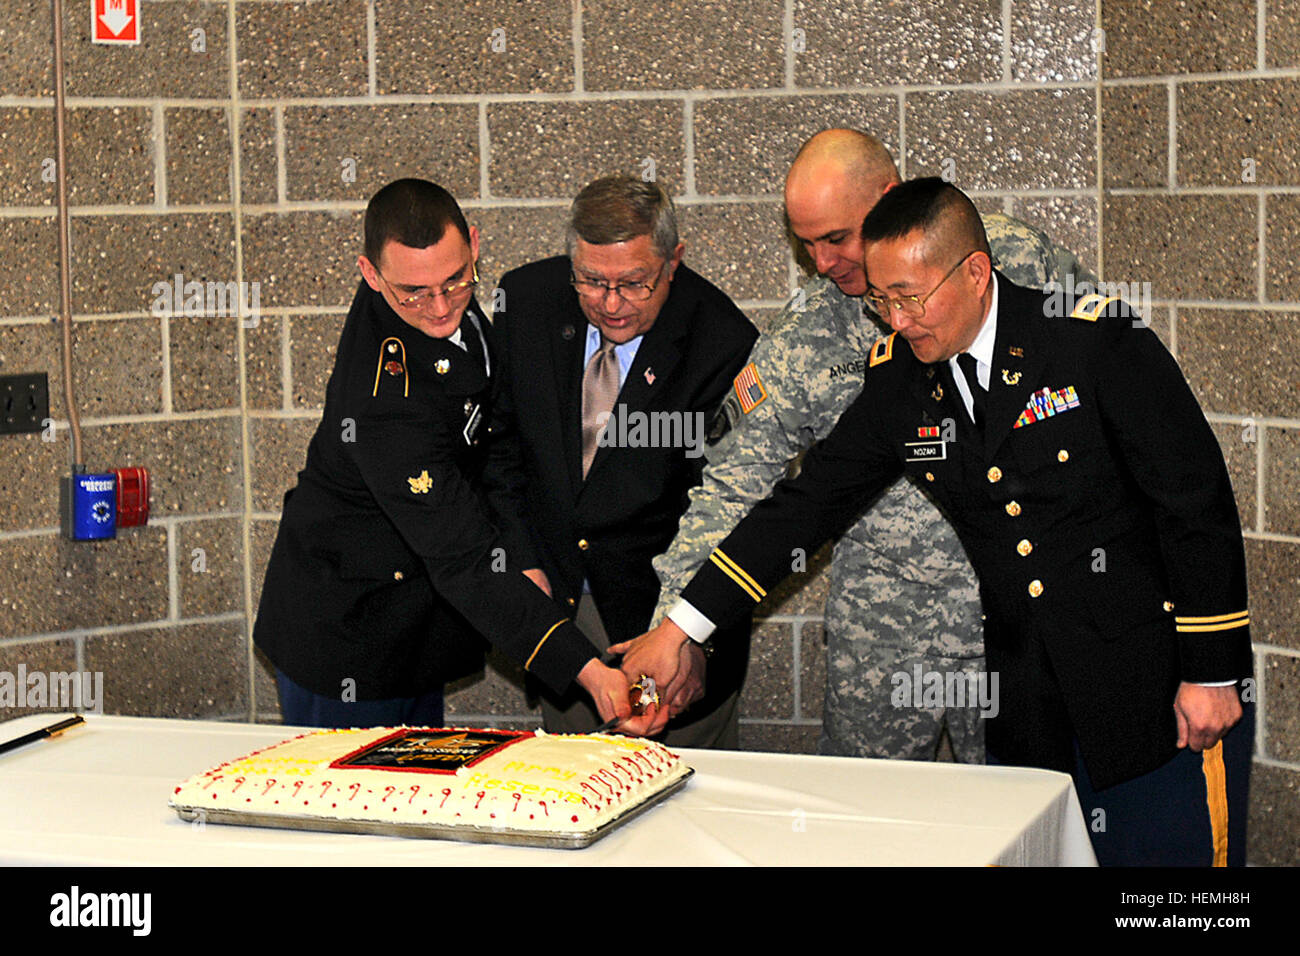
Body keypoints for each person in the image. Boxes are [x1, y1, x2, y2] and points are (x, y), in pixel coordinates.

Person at [621, 178, 1253, 866]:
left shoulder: (1091, 342)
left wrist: (1212, 672)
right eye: (881, 301)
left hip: (1155, 690)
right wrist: (683, 627)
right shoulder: (901, 380)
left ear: (977, 273)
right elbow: (806, 507)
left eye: (911, 298)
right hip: (1030, 711)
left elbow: (1194, 502)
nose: (897, 320)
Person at [652, 128, 1097, 760]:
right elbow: (731, 486)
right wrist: (675, 629)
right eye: (806, 245)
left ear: (889, 197)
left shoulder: (1013, 262)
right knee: (866, 828)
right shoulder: (806, 333)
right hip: (882, 630)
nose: (823, 263)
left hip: (1015, 617)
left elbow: (1106, 390)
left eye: (837, 238)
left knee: (1026, 819)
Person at [254, 178, 631, 730]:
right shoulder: (384, 401)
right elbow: (462, 556)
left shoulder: (451, 305)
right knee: (358, 803)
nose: (438, 307)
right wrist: (586, 667)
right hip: (346, 638)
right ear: (370, 275)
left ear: (474, 246)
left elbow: (493, 441)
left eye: (456, 281)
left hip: (415, 626)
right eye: (413, 292)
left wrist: (519, 550)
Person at [492, 175, 758, 747]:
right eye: (591, 281)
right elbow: (499, 449)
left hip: (665, 613)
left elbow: (728, 513)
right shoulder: (526, 303)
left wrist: (688, 638)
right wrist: (518, 560)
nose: (611, 304)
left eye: (635, 284)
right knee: (576, 788)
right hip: (560, 601)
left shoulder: (723, 342)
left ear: (673, 262)